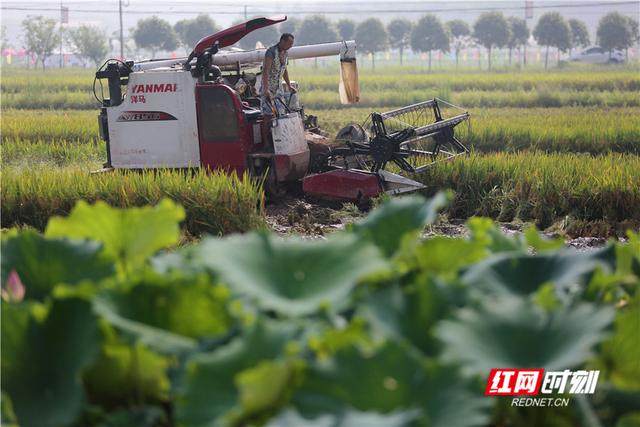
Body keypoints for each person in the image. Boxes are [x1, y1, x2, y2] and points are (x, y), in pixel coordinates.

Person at [261, 33, 296, 116]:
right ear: (282, 41)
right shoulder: (271, 52)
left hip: (278, 88)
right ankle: (267, 129)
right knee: (268, 114)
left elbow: (284, 70)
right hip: (269, 87)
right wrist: (266, 89)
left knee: (280, 112)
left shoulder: (285, 53)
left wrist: (289, 85)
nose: (291, 46)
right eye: (289, 43)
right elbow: (266, 71)